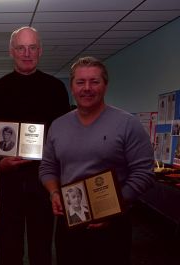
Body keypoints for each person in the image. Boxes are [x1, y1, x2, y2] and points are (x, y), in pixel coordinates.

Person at [39, 56, 155, 265]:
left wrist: (112, 207)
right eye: (80, 82)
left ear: (105, 85)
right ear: (72, 87)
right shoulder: (58, 125)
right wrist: (54, 193)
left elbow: (144, 173)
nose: (87, 88)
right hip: (70, 221)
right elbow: (48, 166)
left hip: (113, 223)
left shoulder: (128, 124)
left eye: (94, 81)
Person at [0, 26, 70, 265]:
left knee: (42, 250)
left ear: (40, 51)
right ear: (12, 51)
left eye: (32, 48)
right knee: (8, 250)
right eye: (21, 48)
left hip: (43, 184)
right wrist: (0, 164)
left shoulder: (56, 89)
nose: (27, 53)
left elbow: (62, 138)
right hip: (7, 186)